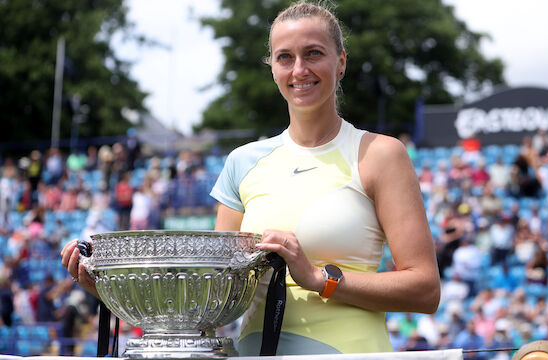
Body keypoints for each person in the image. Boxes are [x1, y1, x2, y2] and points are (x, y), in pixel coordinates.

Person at [61, 1, 440, 355]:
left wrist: (318, 278)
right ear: (273, 68)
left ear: (341, 62)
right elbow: (206, 302)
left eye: (314, 53)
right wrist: (108, 289)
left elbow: (424, 289)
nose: (299, 70)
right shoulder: (242, 162)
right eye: (285, 58)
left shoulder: (380, 153)